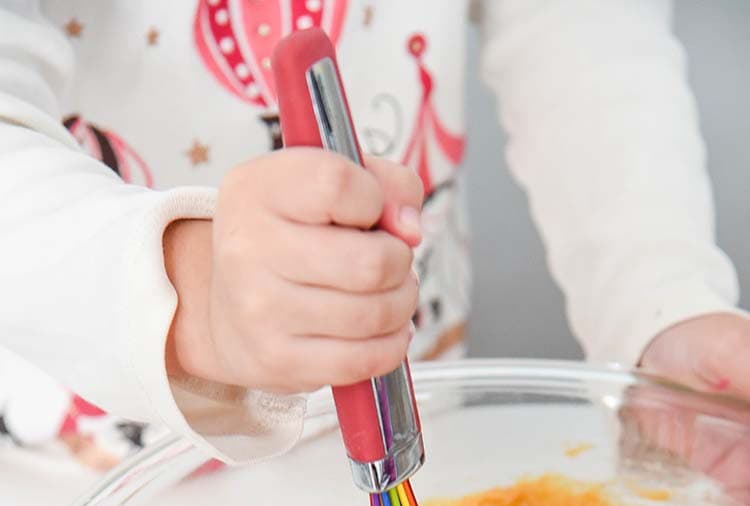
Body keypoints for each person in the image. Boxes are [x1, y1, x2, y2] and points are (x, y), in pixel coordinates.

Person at [0, 0, 748, 472]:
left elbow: (578, 21)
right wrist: (193, 296)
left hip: (414, 416)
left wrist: (659, 295)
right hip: (70, 481)